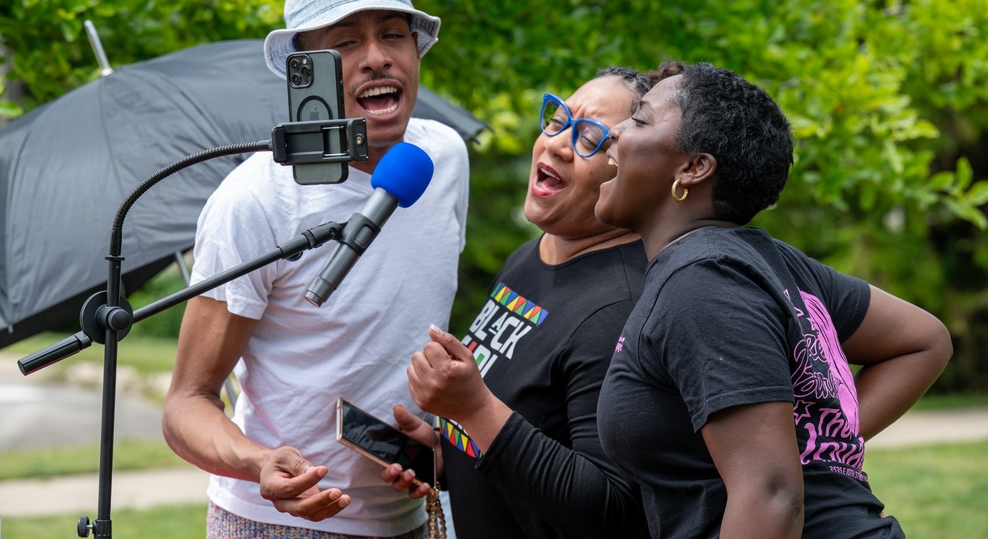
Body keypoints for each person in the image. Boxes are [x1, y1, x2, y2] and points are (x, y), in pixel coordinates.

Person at [161, 0, 470, 539]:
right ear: (306, 71)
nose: (376, 56)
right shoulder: (255, 199)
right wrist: (258, 464)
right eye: (346, 43)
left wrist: (434, 447)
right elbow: (186, 406)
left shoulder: (443, 159)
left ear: (416, 50)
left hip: (414, 517)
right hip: (276, 523)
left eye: (393, 35)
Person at [593, 62, 954, 538]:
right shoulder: (762, 261)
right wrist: (821, 443)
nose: (612, 133)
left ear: (693, 168)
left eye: (638, 120)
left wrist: (817, 449)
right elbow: (926, 339)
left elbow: (771, 498)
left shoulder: (702, 281)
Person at [389, 66, 680, 538]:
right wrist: (446, 452)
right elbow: (527, 428)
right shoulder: (531, 256)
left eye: (591, 138)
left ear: (636, 166)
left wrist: (473, 410)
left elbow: (612, 510)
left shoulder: (621, 309)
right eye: (558, 119)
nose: (558, 143)